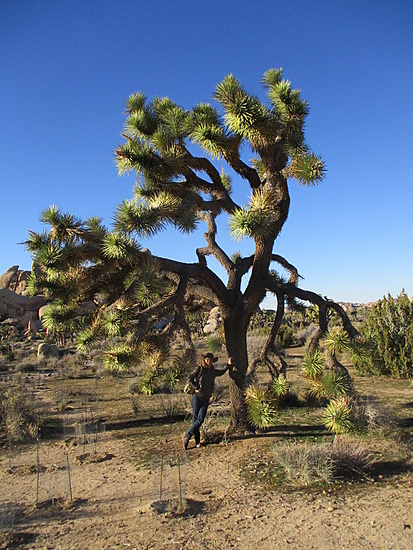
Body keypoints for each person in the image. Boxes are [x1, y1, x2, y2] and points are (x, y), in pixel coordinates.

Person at [183, 352, 232, 450]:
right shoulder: (199, 369)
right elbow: (189, 378)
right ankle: (196, 442)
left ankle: (187, 436)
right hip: (197, 397)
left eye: (210, 360)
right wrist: (196, 386)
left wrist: (228, 366)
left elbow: (221, 372)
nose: (208, 362)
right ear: (204, 360)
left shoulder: (212, 371)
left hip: (205, 398)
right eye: (207, 360)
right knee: (195, 419)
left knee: (199, 420)